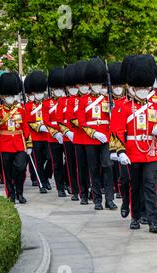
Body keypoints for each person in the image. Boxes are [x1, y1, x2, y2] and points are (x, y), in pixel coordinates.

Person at [111, 54, 157, 232]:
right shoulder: (122, 106)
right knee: (134, 187)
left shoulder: (155, 107)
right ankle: (135, 217)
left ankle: (153, 221)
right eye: (139, 86)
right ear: (132, 87)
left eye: (145, 86)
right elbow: (116, 131)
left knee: (150, 187)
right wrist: (120, 152)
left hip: (150, 152)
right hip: (132, 152)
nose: (143, 89)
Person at [77, 57, 117, 211]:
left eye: (98, 84)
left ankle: (109, 199)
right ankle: (97, 200)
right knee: (93, 169)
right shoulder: (83, 100)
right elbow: (81, 122)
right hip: (91, 138)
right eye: (94, 84)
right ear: (89, 84)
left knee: (108, 166)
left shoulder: (108, 99)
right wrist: (93, 133)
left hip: (106, 137)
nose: (96, 86)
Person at [0, 72, 33, 203]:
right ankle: (11, 194)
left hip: (19, 144)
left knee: (20, 168)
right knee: (7, 172)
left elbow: (25, 127)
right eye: (8, 95)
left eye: (12, 95)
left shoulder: (20, 110)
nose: (10, 98)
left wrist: (29, 144)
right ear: (3, 96)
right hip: (5, 145)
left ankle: (19, 192)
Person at [108, 60, 131, 218]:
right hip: (119, 144)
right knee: (125, 179)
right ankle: (125, 200)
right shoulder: (111, 102)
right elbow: (114, 129)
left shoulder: (127, 103)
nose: (117, 88)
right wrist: (114, 148)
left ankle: (141, 211)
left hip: (136, 146)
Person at [25, 71, 51, 193]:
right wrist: (39, 127)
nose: (39, 94)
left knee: (50, 158)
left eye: (41, 92)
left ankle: (46, 177)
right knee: (38, 162)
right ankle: (42, 183)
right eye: (37, 92)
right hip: (35, 137)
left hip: (47, 136)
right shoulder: (28, 106)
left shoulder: (47, 104)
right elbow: (28, 121)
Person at [43, 67, 67, 197]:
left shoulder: (66, 102)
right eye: (56, 88)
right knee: (57, 163)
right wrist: (55, 133)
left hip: (67, 136)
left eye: (60, 88)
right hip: (54, 137)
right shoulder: (47, 103)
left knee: (69, 162)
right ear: (52, 89)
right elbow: (46, 122)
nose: (58, 91)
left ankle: (67, 183)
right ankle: (60, 188)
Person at [71, 60, 91, 205]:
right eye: (81, 84)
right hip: (79, 137)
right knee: (81, 167)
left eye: (86, 84)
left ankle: (92, 191)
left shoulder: (94, 99)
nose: (84, 87)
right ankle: (82, 193)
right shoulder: (72, 100)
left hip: (92, 138)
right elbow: (72, 118)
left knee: (94, 168)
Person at [59, 64, 80, 201]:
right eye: (70, 87)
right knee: (71, 164)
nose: (73, 89)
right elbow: (60, 120)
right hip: (68, 137)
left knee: (82, 165)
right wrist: (67, 132)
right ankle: (74, 189)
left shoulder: (84, 100)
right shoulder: (62, 102)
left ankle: (85, 188)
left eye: (75, 86)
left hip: (83, 136)